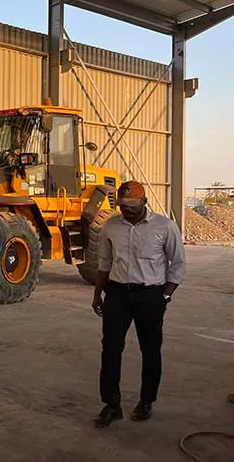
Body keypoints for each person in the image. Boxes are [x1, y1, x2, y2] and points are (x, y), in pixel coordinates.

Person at [92, 181, 186, 427]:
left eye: (132, 205)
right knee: (110, 349)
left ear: (144, 202)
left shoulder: (164, 227)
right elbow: (104, 262)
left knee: (150, 350)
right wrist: (98, 293)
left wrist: (164, 296)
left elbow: (177, 264)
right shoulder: (111, 227)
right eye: (123, 206)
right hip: (117, 294)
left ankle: (146, 401)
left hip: (150, 296)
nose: (127, 210)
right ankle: (111, 405)